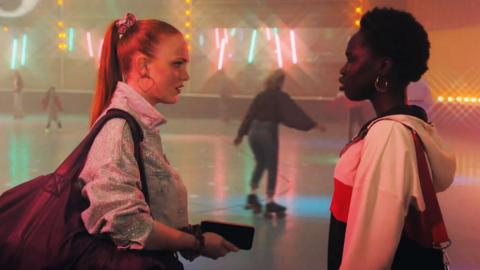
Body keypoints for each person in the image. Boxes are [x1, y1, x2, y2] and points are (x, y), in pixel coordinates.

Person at [79, 13, 238, 268]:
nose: (185, 75)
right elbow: (125, 224)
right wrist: (195, 243)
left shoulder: (138, 125)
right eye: (177, 64)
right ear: (143, 66)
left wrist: (192, 235)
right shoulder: (120, 129)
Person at [329, 8, 456, 270]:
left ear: (383, 66)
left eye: (351, 59)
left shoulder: (388, 135)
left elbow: (370, 256)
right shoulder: (407, 128)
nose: (343, 70)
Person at [234, 69, 326, 216]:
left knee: (260, 162)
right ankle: (270, 202)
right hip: (267, 131)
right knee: (272, 166)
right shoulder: (280, 96)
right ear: (280, 82)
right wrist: (312, 124)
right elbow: (294, 112)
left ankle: (252, 195)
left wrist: (240, 134)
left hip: (253, 131)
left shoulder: (261, 95)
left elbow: (249, 114)